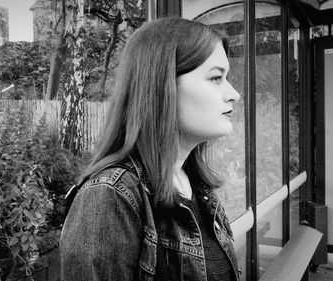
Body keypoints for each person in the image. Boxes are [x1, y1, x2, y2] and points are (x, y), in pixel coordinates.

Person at [60, 16, 241, 281]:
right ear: (162, 83)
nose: (233, 93)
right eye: (216, 78)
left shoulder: (197, 187)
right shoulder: (109, 197)